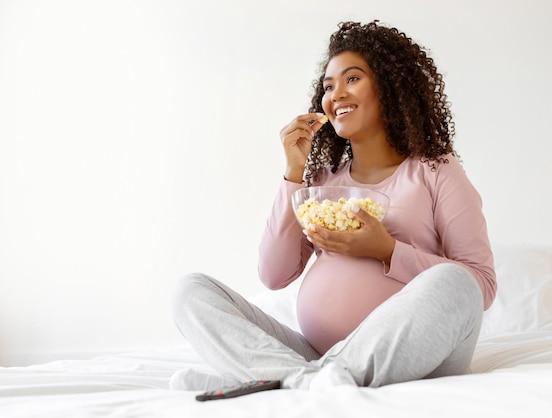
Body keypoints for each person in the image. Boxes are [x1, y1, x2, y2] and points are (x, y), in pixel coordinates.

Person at [169, 20, 496, 392]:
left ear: (390, 88)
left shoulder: (436, 171)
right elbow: (274, 275)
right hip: (317, 355)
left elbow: (481, 285)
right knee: (191, 291)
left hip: (419, 355)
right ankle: (309, 378)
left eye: (352, 79)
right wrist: (294, 173)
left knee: (456, 282)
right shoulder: (321, 183)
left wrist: (387, 250)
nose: (336, 93)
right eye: (328, 86)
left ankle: (277, 378)